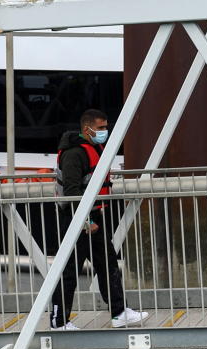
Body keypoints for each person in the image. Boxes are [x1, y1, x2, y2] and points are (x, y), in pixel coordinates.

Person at [50, 109, 149, 330]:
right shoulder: (74, 154)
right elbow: (73, 192)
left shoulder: (94, 147)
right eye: (102, 128)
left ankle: (119, 312)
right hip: (78, 220)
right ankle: (58, 321)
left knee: (107, 264)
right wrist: (84, 222)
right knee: (69, 271)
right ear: (88, 129)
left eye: (106, 127)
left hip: (94, 217)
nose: (105, 131)